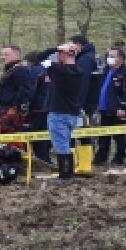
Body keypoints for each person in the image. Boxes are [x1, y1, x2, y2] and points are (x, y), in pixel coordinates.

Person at [34, 42, 87, 179]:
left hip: (58, 112)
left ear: (63, 54)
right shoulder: (79, 70)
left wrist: (56, 48)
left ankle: (65, 175)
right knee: (66, 143)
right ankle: (68, 173)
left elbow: (38, 58)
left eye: (58, 54)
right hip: (71, 112)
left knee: (61, 146)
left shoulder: (58, 69)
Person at [93, 47, 126, 167]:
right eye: (108, 56)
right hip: (104, 108)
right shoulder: (106, 70)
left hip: (118, 109)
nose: (109, 58)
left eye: (112, 56)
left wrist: (123, 108)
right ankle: (101, 157)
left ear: (120, 58)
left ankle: (120, 157)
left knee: (119, 136)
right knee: (103, 135)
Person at [0, 45, 35, 138]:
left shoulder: (20, 70)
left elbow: (24, 89)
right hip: (4, 109)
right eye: (2, 55)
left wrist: (15, 107)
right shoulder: (10, 70)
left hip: (11, 110)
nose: (3, 57)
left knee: (12, 138)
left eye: (6, 55)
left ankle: (15, 152)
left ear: (16, 55)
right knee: (5, 137)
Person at [23, 50, 53, 165]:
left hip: (36, 108)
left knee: (29, 135)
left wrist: (25, 105)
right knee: (43, 136)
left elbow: (31, 90)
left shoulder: (35, 71)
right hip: (48, 108)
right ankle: (46, 160)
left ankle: (30, 161)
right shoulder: (49, 70)